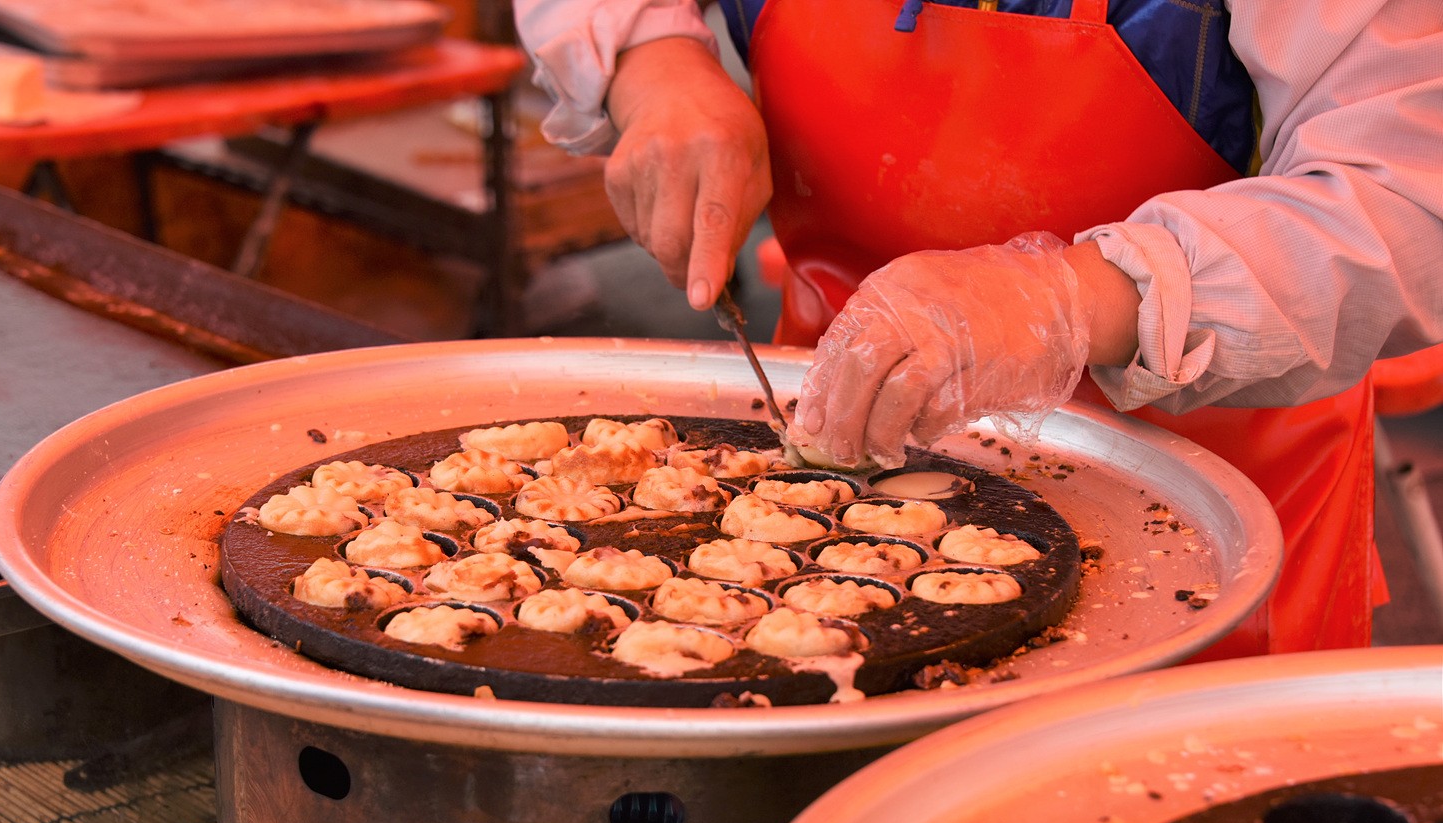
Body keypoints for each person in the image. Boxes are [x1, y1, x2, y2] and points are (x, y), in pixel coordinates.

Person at [513, 0, 1443, 657]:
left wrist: (1074, 295)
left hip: (1202, 504)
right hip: (830, 447)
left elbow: (1406, 194)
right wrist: (655, 66)